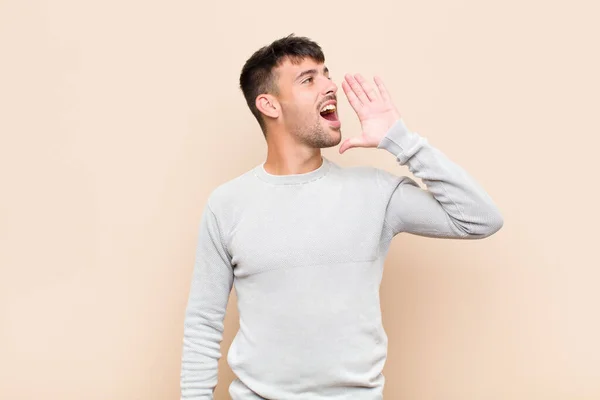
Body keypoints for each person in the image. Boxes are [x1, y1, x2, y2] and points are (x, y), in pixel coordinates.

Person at [180, 33, 503, 400]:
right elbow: (203, 323)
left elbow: (479, 219)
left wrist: (402, 141)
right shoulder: (227, 204)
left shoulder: (376, 193)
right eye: (309, 79)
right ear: (269, 105)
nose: (330, 86)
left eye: (326, 74)